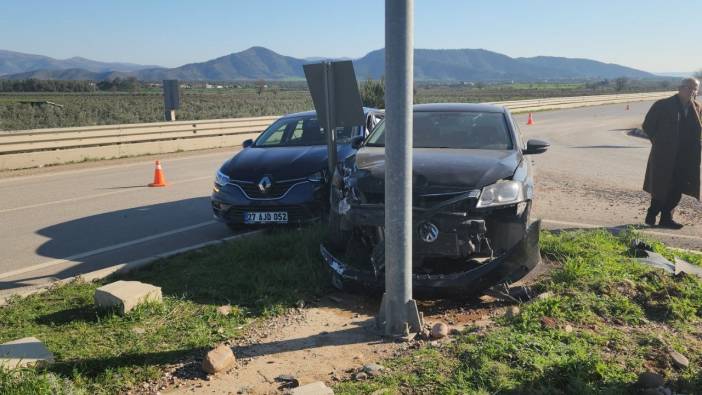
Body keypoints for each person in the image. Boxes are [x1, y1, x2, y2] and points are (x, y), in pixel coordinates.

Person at [642, 77, 701, 229]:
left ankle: (666, 218)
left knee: (678, 186)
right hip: (665, 155)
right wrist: (661, 143)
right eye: (689, 88)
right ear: (679, 88)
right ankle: (652, 212)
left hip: (686, 157)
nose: (692, 91)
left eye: (695, 88)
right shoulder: (662, 105)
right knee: (662, 185)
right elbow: (648, 125)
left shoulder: (697, 108)